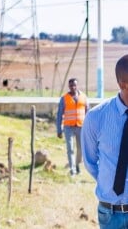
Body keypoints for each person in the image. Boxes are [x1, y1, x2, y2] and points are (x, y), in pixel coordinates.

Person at [81, 55, 128, 228]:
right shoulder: (96, 117)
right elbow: (90, 162)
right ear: (123, 84)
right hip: (110, 214)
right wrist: (110, 183)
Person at [56, 78, 89, 176]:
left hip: (81, 126)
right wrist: (59, 129)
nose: (73, 87)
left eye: (74, 85)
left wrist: (89, 128)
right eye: (71, 86)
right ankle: (72, 170)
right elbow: (59, 114)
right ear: (68, 86)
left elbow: (88, 112)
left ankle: (77, 164)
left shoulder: (83, 97)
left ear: (77, 85)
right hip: (68, 127)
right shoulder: (64, 98)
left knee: (80, 149)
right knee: (70, 149)